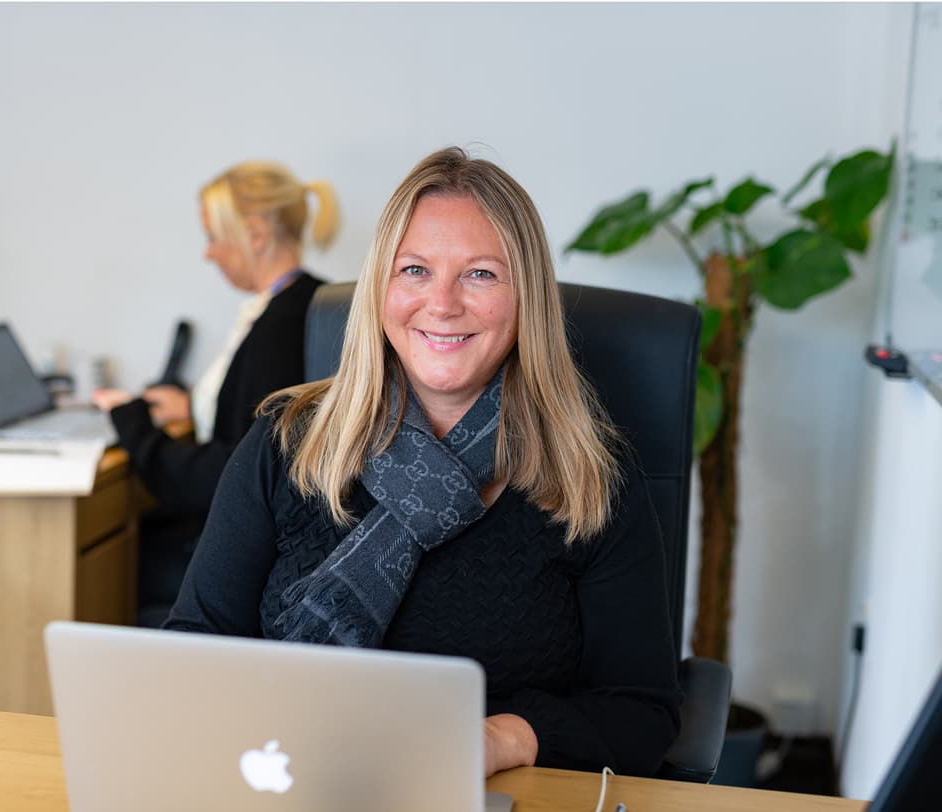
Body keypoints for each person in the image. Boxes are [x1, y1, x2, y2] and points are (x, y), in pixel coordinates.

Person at [165, 147, 680, 776]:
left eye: (481, 274)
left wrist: (499, 741)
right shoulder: (288, 444)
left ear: (527, 298)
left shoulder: (589, 472)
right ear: (381, 286)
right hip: (291, 776)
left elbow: (639, 711)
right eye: (414, 270)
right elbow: (195, 649)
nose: (441, 303)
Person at [94, 160, 340, 625]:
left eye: (212, 236)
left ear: (255, 234)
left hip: (252, 547)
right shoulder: (307, 302)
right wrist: (192, 409)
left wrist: (133, 425)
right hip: (277, 532)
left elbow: (233, 472)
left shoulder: (276, 330)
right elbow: (258, 419)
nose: (208, 253)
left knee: (117, 554)